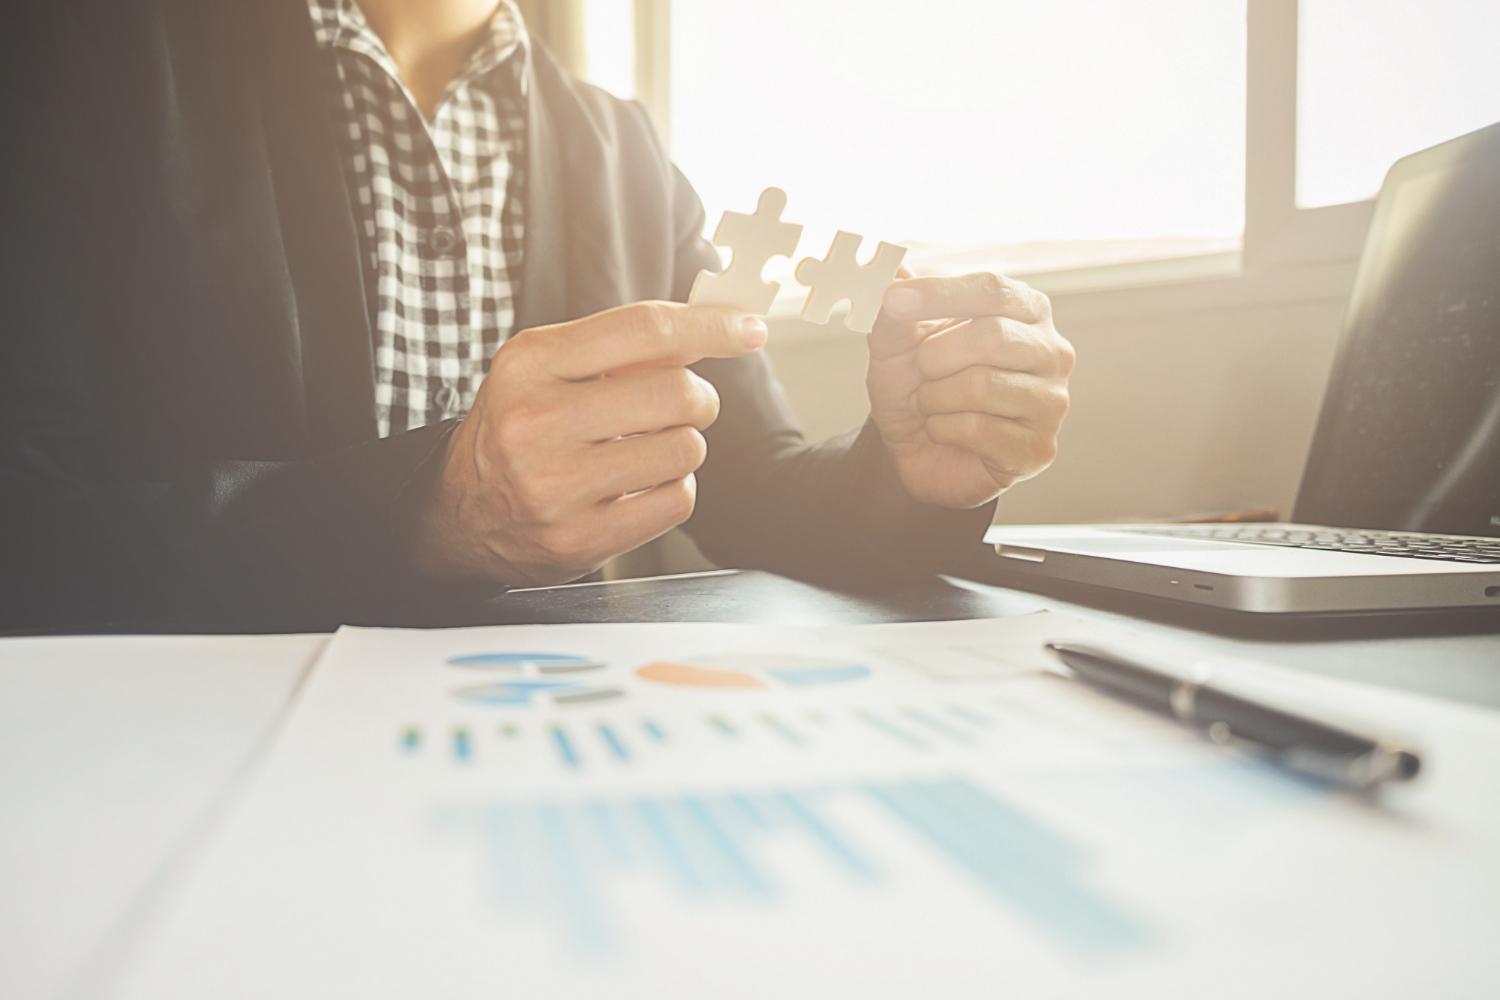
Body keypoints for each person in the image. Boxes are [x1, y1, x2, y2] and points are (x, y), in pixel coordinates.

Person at [0, 0, 1074, 633]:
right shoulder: (70, 60)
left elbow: (751, 482)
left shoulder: (625, 152)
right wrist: (427, 514)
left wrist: (909, 475)